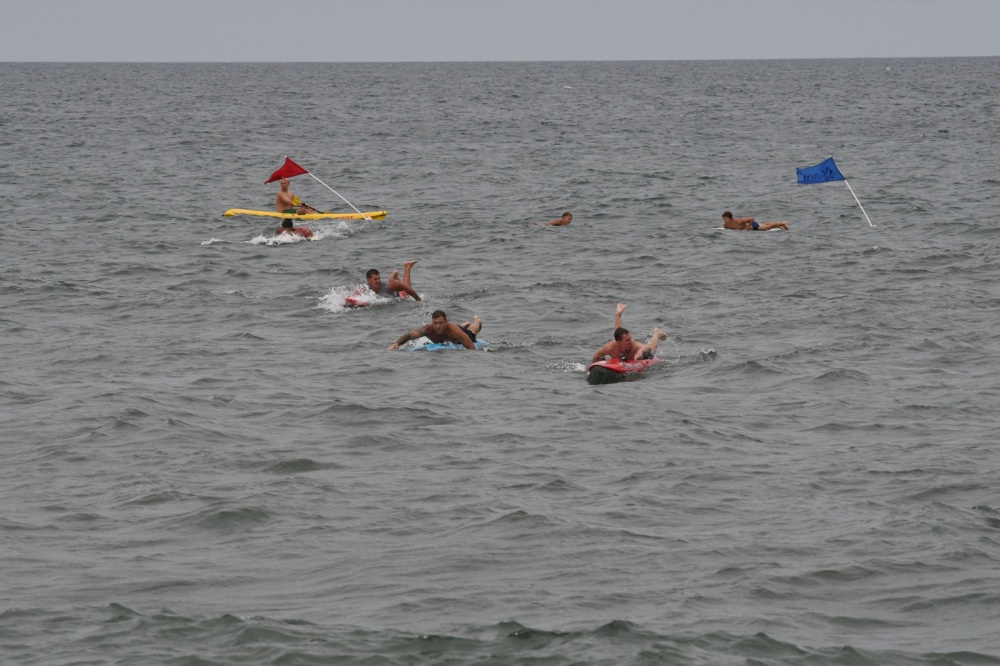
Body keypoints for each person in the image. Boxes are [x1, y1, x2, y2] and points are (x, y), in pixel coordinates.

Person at [592, 303, 667, 363]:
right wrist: (591, 370)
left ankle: (656, 333)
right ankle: (618, 314)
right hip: (619, 342)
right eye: (627, 341)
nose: (630, 342)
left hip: (644, 352)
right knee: (619, 334)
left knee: (652, 350)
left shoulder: (634, 346)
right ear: (619, 343)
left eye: (630, 339)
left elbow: (648, 347)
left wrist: (640, 351)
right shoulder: (610, 347)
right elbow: (596, 356)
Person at [388, 311, 483, 350]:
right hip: (453, 334)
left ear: (446, 322)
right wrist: (397, 343)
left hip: (458, 336)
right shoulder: (428, 329)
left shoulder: (454, 331)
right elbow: (410, 335)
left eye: (440, 323)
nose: (438, 326)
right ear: (432, 322)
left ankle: (477, 321)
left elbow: (471, 347)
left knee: (473, 331)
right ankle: (463, 325)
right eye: (435, 323)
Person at [722, 211, 788, 231]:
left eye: (726, 219)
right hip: (751, 226)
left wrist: (747, 229)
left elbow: (752, 219)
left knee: (768, 227)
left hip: (753, 226)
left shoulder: (739, 221)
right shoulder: (726, 225)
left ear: (731, 218)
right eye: (724, 219)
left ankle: (782, 223)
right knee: (765, 224)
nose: (725, 220)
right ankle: (778, 223)